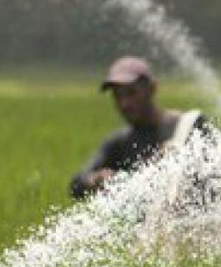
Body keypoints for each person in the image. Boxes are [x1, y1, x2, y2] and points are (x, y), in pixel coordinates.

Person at [69, 56, 209, 199]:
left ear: (152, 89)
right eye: (118, 96)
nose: (124, 104)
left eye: (132, 93)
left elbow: (213, 182)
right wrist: (96, 180)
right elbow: (76, 185)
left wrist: (175, 161)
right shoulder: (120, 143)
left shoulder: (189, 125)